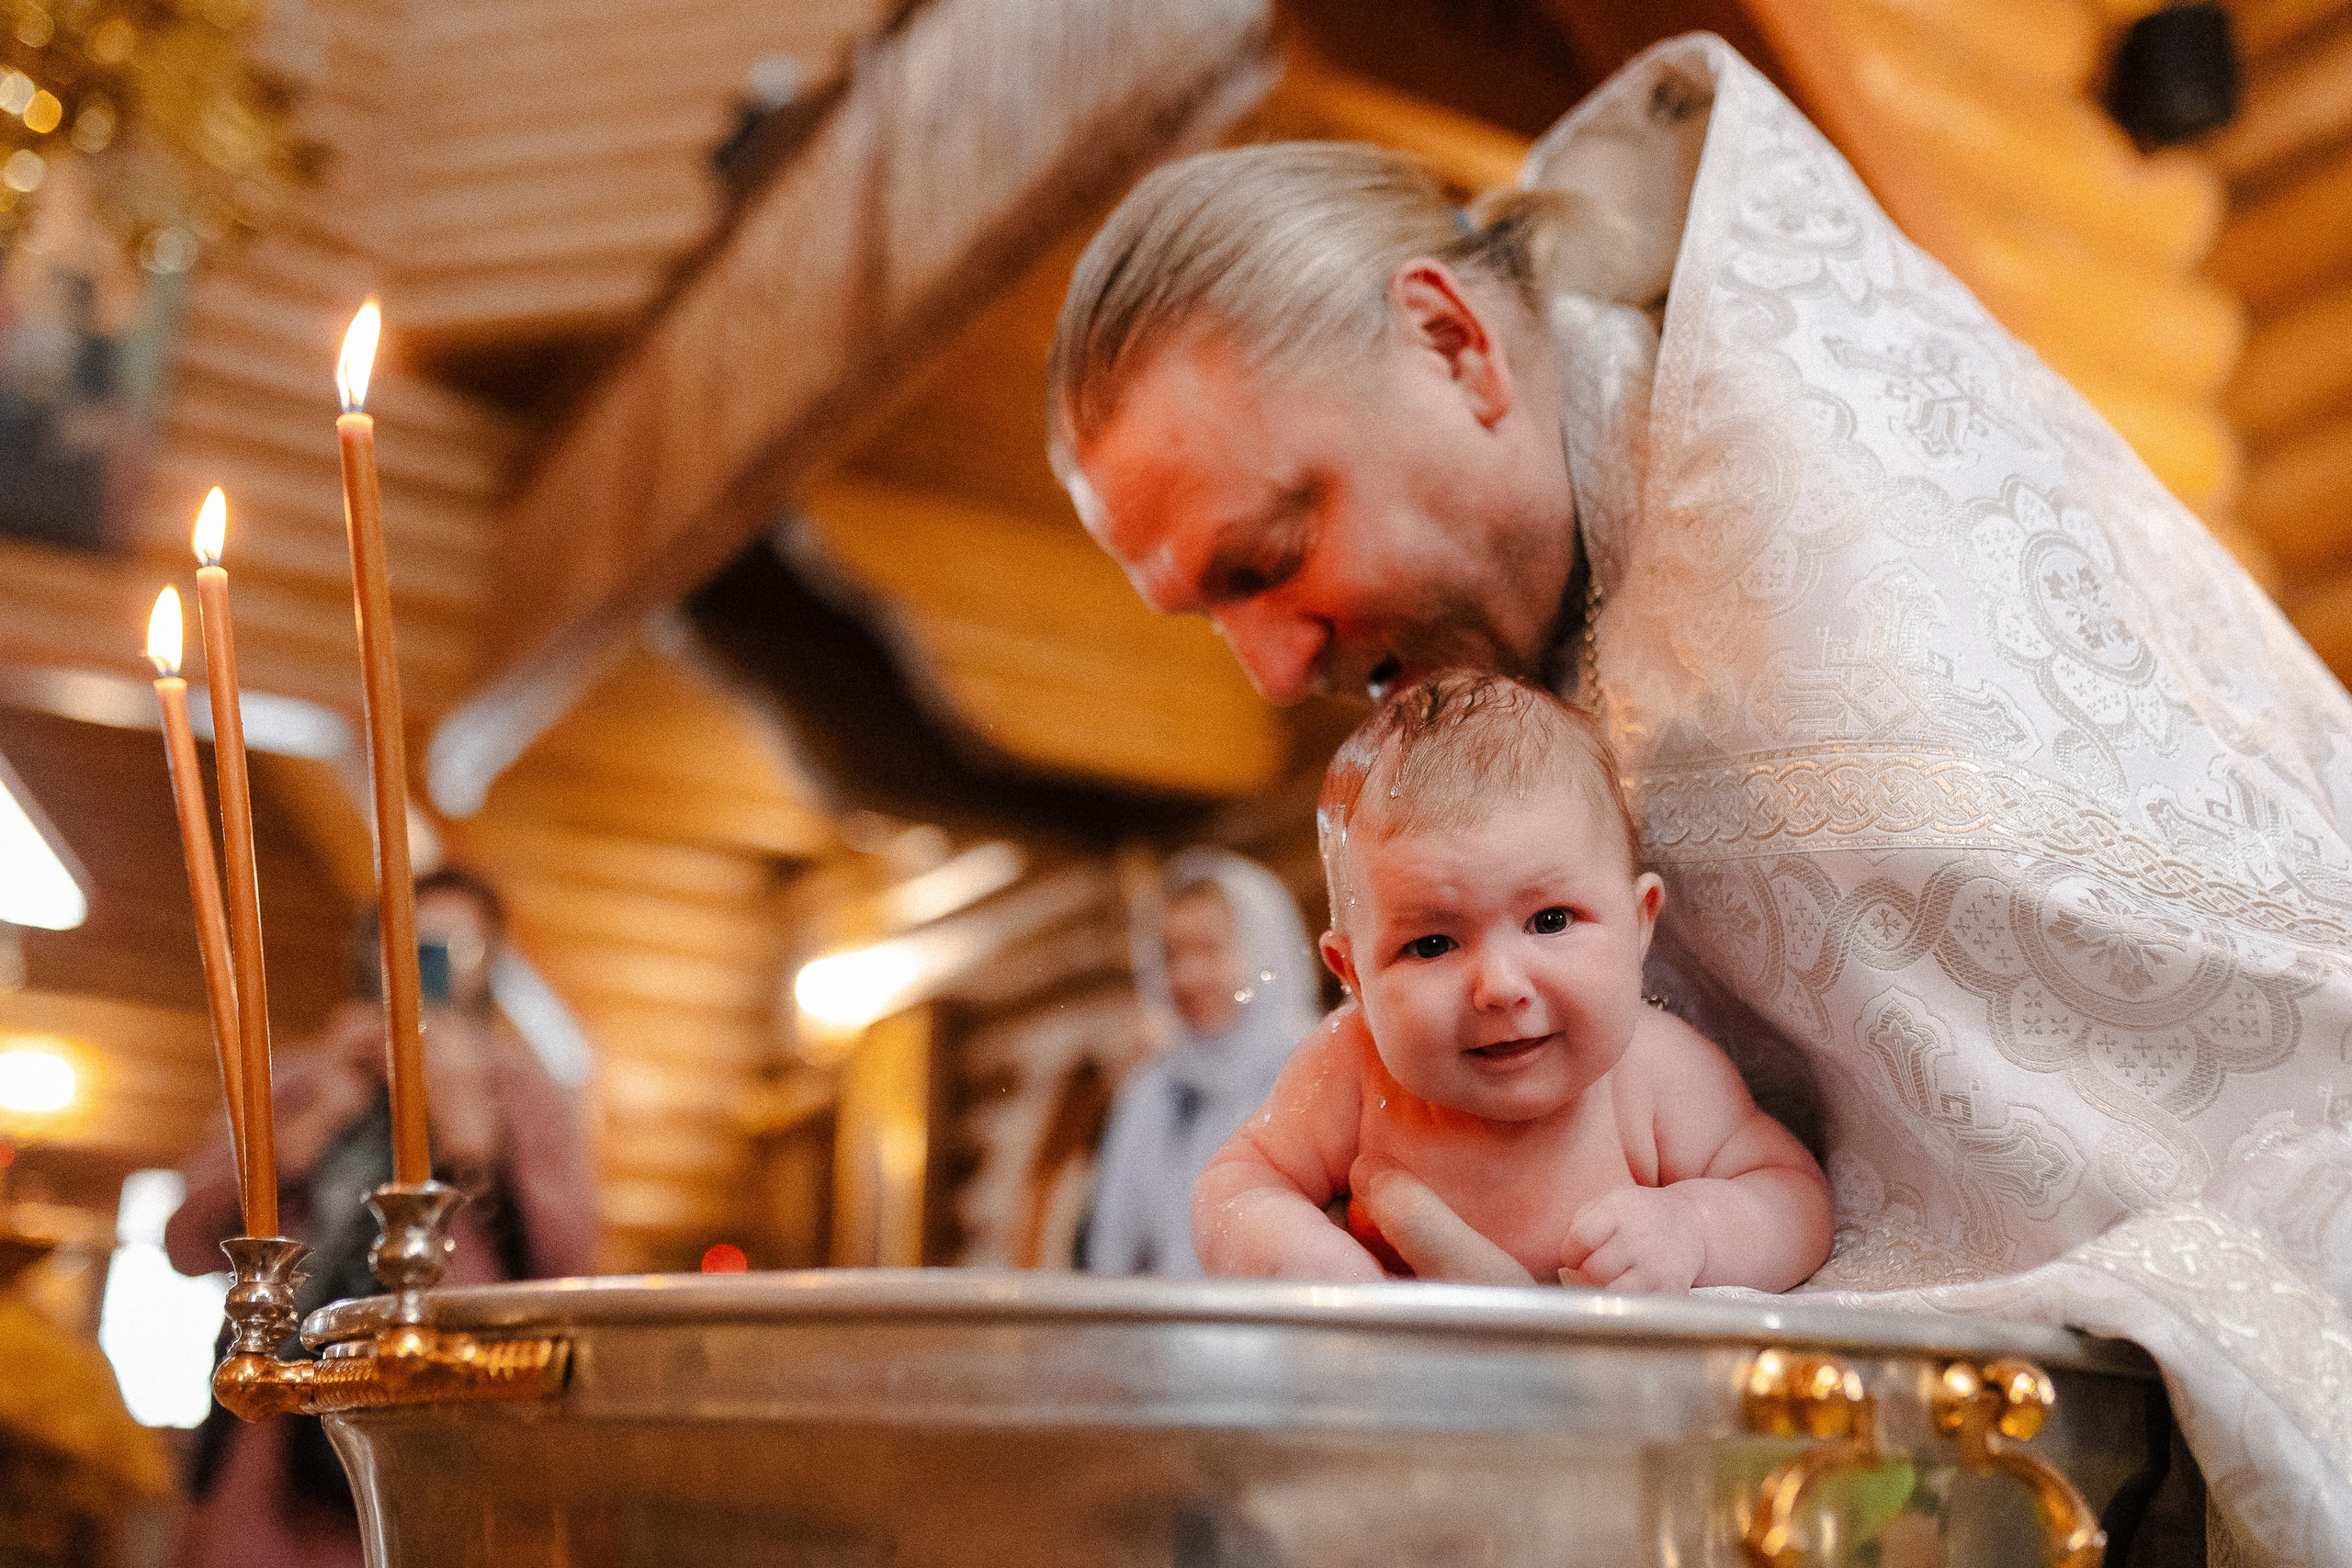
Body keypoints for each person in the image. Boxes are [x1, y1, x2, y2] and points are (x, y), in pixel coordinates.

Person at [1050, 34, 2352, 1563]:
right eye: (1211, 612)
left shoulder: (1821, 614)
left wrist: (1614, 1284)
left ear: (1455, 347)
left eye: (1268, 555)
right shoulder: (1559, 639)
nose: (1271, 671)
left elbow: (2063, 1188)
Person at [1196, 672, 1830, 1291]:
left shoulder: (1657, 1071)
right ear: (1355, 977)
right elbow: (1236, 1185)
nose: (1499, 986)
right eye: (1433, 943)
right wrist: (1309, 1261)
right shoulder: (1349, 1066)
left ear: (1639, 925)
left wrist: (1692, 1231)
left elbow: (1792, 1195)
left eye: (1550, 920)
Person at [164, 867, 594, 1568]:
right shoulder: (304, 1079)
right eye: (406, 946)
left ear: (488, 963)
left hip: (452, 1418)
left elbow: (568, 1271)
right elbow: (186, 1241)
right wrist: (316, 1119)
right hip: (281, 1433)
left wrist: (473, 1136)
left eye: (451, 947)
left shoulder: (523, 1092)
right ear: (370, 956)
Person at [1083, 847, 1321, 1276]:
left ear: (1264, 952)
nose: (1187, 976)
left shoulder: (1318, 1074)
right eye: (1172, 954)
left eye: (1210, 949)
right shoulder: (1151, 1092)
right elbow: (1110, 1253)